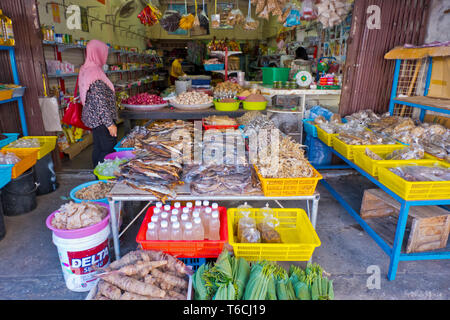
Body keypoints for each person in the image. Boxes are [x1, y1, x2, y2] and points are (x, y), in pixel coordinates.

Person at [79, 39, 118, 168]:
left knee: (99, 147)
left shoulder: (87, 68)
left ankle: (97, 173)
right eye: (103, 53)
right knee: (107, 149)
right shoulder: (94, 73)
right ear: (97, 53)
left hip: (95, 119)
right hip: (101, 121)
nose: (104, 56)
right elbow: (100, 101)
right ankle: (103, 177)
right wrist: (110, 124)